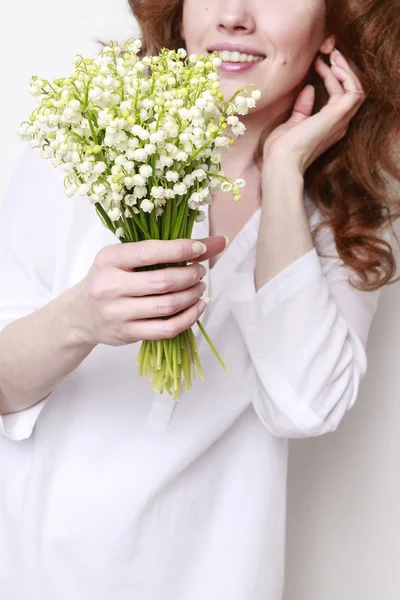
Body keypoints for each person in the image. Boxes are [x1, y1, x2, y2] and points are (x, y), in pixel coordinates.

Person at [1, 0, 399, 598]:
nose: (234, 15)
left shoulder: (348, 209)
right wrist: (83, 318)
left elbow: (306, 407)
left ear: (333, 25)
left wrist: (285, 172)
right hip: (36, 571)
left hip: (219, 578)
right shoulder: (91, 134)